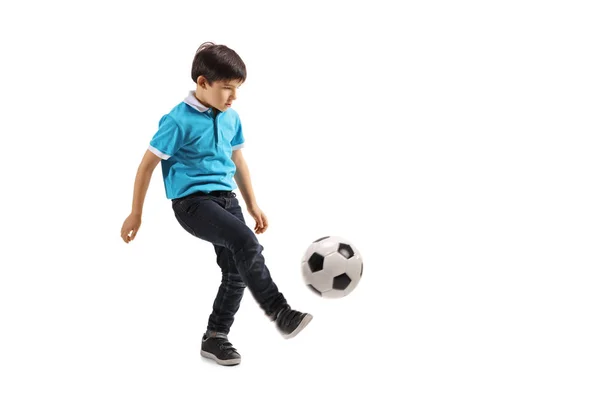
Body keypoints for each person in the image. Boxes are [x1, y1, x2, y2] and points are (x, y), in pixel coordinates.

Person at [120, 42, 312, 366]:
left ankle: (216, 337)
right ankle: (281, 311)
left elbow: (238, 159)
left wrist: (252, 205)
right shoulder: (177, 120)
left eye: (236, 89)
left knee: (236, 268)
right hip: (193, 203)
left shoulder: (231, 117)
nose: (233, 97)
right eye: (227, 89)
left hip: (227, 199)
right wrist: (136, 213)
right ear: (202, 83)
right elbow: (146, 165)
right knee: (245, 242)